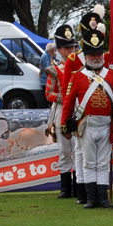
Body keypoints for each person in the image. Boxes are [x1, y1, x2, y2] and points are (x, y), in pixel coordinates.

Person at [61, 29, 113, 209]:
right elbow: (68, 104)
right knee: (89, 162)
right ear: (86, 56)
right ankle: (92, 198)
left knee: (102, 163)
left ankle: (103, 198)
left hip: (107, 124)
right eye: (92, 54)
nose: (96, 57)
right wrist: (64, 126)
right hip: (87, 125)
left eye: (99, 53)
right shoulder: (77, 77)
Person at [45, 25, 79, 199]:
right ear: (59, 50)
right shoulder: (55, 69)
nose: (70, 50)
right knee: (65, 150)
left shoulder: (80, 67)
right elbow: (48, 93)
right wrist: (64, 97)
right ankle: (66, 188)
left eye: (72, 47)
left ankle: (80, 186)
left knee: (79, 149)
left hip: (78, 110)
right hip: (61, 110)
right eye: (67, 48)